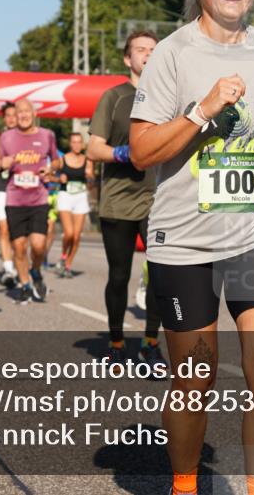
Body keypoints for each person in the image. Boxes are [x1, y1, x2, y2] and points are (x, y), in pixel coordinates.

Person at [129, 0, 254, 495]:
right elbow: (141, 151)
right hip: (185, 241)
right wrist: (202, 111)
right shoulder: (171, 55)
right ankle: (184, 485)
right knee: (194, 377)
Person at [87, 30, 166, 370]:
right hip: (119, 200)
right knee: (120, 275)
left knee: (163, 274)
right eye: (141, 49)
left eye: (153, 49)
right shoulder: (114, 97)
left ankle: (151, 344)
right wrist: (124, 152)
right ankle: (117, 343)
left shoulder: (170, 97)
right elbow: (93, 148)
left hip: (160, 199)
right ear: (127, 58)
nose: (148, 54)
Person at [0, 98, 61, 304]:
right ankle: (25, 284)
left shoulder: (47, 135)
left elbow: (57, 160)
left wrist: (51, 169)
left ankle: (35, 270)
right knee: (18, 247)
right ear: (14, 116)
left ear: (34, 113)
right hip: (15, 200)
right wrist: (2, 164)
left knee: (38, 245)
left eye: (27, 111)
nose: (23, 115)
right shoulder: (6, 138)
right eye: (19, 112)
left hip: (38, 198)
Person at [56, 132, 94, 277]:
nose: (77, 145)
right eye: (74, 142)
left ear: (82, 144)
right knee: (69, 233)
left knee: (77, 236)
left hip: (81, 196)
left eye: (79, 142)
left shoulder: (88, 160)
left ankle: (68, 265)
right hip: (65, 196)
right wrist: (60, 178)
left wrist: (89, 177)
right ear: (70, 144)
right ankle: (63, 254)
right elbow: (51, 175)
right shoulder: (62, 159)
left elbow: (91, 183)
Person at [0, 102, 19, 287]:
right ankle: (8, 269)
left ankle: (19, 266)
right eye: (7, 115)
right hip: (1, 188)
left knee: (18, 233)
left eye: (14, 115)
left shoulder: (26, 138)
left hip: (20, 190)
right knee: (4, 229)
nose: (11, 118)